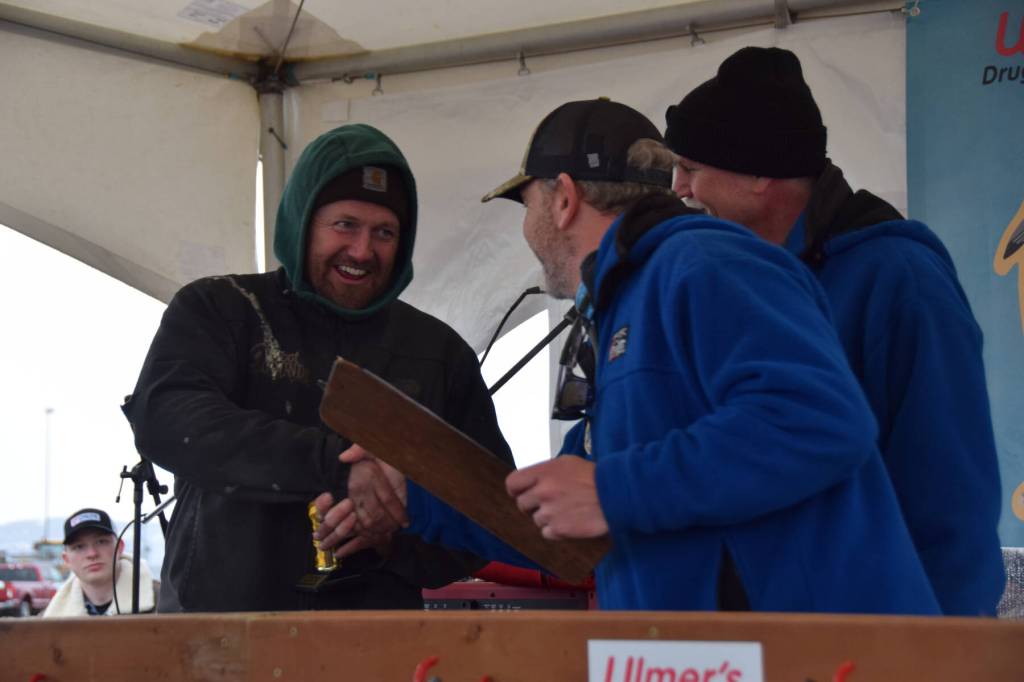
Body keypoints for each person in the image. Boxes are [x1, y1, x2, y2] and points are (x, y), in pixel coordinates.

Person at [316, 99, 941, 615]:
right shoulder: (626, 303)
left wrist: (611, 489)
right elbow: (562, 515)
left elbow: (818, 420)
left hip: (795, 656)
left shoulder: (706, 264)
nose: (528, 230)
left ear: (563, 199)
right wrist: (415, 497)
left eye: (527, 205)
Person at [663, 47, 1005, 616]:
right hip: (760, 635)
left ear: (758, 173)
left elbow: (952, 493)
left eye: (691, 168)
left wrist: (943, 648)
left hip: (879, 638)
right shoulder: (740, 279)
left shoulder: (900, 279)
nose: (677, 188)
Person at [122, 124, 513, 612]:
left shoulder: (440, 354)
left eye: (384, 232)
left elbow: (492, 516)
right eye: (345, 224)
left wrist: (391, 534)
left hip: (376, 637)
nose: (362, 251)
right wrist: (337, 466)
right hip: (219, 630)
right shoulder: (221, 308)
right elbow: (165, 417)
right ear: (302, 221)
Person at [42, 508, 157, 617]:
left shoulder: (163, 602)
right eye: (79, 547)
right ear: (66, 559)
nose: (92, 554)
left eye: (101, 542)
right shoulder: (47, 621)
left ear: (120, 547)